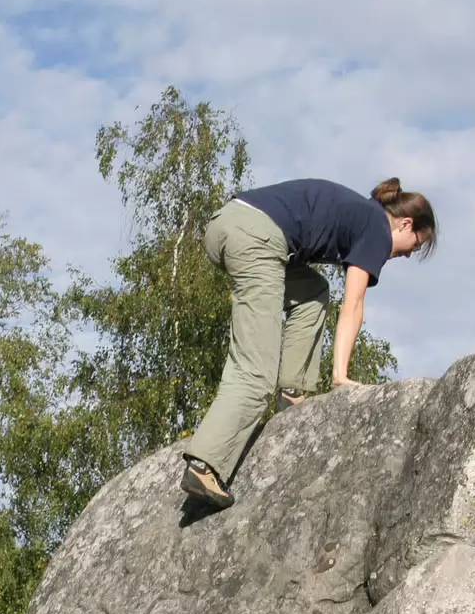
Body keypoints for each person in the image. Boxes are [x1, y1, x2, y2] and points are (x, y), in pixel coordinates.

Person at [181, 177, 437, 509]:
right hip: (257, 237)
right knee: (256, 371)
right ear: (406, 224)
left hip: (229, 224)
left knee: (313, 291)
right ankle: (204, 464)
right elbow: (354, 304)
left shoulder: (363, 213)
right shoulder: (377, 227)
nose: (407, 254)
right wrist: (340, 376)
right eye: (414, 246)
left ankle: (293, 390)